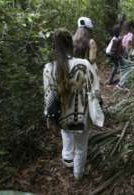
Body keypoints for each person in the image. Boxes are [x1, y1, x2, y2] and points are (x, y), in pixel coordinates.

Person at [43, 28, 102, 180]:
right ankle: (78, 176)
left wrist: (50, 118)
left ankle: (67, 160)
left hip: (63, 117)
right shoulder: (84, 64)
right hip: (82, 118)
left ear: (54, 47)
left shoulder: (49, 68)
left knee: (66, 134)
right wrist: (98, 106)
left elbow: (49, 98)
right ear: (71, 44)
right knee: (81, 148)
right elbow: (95, 90)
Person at [116, 21, 134, 90]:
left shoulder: (124, 34)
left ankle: (122, 83)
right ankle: (121, 84)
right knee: (128, 69)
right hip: (125, 53)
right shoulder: (130, 35)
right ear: (131, 27)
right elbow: (128, 45)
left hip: (120, 53)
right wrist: (128, 55)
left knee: (123, 69)